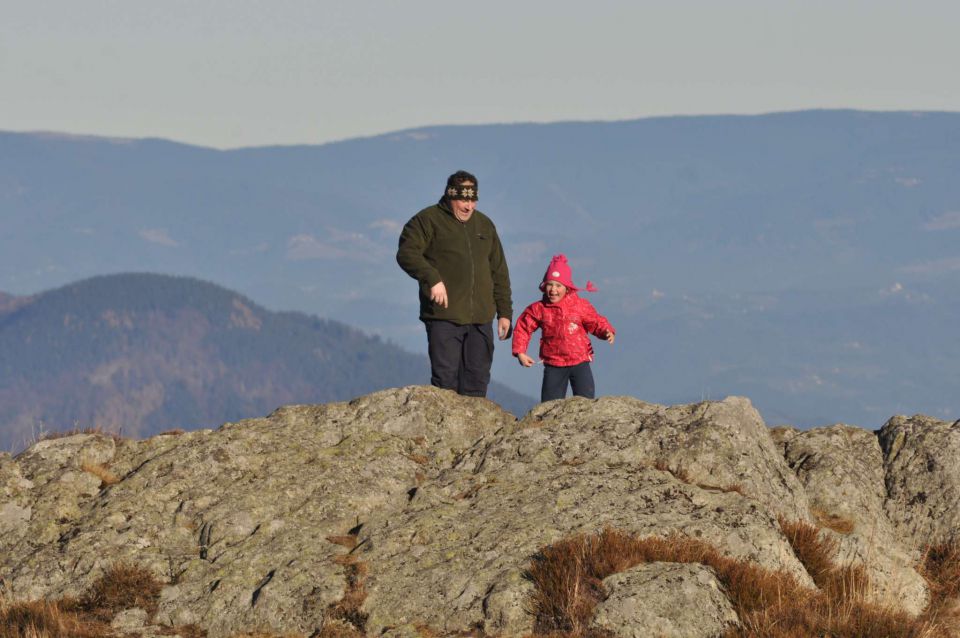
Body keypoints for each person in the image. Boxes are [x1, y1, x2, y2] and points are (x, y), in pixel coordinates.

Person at [396, 170, 512, 397]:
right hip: (443, 317)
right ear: (450, 196)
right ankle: (447, 432)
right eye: (463, 200)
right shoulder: (427, 220)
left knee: (477, 381)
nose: (469, 206)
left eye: (473, 200)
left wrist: (505, 312)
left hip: (481, 319)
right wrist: (432, 278)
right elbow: (406, 253)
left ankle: (475, 431)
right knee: (445, 384)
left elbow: (499, 271)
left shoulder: (485, 225)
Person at [512, 254, 615, 402]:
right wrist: (520, 352)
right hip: (554, 364)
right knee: (549, 405)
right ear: (544, 286)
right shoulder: (539, 309)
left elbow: (595, 321)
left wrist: (606, 331)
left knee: (586, 404)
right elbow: (523, 327)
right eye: (550, 284)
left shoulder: (579, 305)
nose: (553, 290)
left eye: (558, 285)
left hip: (580, 362)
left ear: (567, 288)